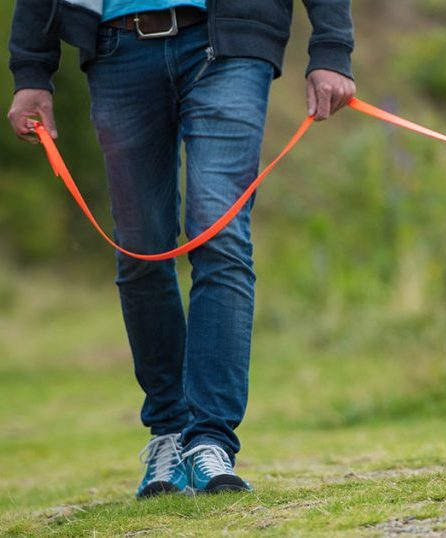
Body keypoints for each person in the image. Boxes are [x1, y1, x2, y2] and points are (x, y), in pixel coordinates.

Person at [7, 0, 355, 497]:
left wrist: (331, 47)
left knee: (220, 235)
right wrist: (31, 71)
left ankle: (211, 440)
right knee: (139, 253)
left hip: (229, 41)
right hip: (115, 49)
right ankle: (169, 433)